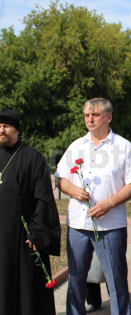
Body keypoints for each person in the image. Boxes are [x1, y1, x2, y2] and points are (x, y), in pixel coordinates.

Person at [55, 98, 131, 315]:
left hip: (110, 225)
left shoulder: (123, 147)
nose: (90, 119)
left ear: (108, 117)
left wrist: (109, 203)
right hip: (78, 224)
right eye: (87, 115)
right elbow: (61, 178)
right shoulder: (76, 146)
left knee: (116, 280)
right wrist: (73, 191)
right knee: (75, 279)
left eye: (95, 115)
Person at [0, 108, 60, 314]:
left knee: (27, 291)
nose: (1, 130)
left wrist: (37, 231)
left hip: (23, 239)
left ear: (17, 130)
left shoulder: (33, 158)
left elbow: (44, 198)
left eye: (6, 126)